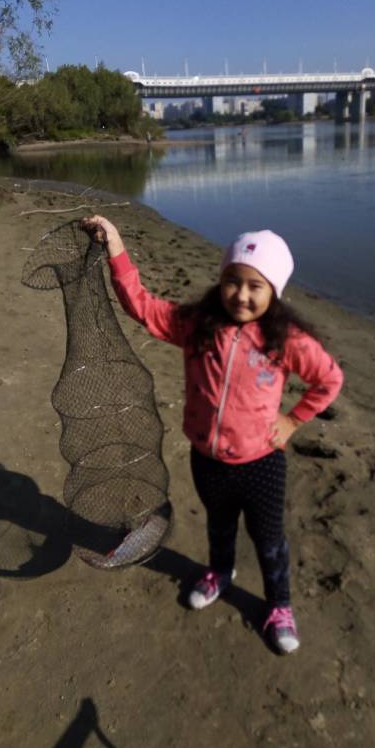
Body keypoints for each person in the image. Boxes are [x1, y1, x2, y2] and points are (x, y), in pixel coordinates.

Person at [82, 215, 344, 654]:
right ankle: (220, 573)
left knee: (269, 540)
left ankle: (279, 605)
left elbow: (329, 380)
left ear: (274, 291)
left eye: (255, 286)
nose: (241, 295)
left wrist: (293, 421)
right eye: (232, 281)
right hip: (207, 460)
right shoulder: (197, 324)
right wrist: (116, 247)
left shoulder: (285, 339)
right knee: (219, 526)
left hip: (262, 463)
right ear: (221, 280)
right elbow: (141, 305)